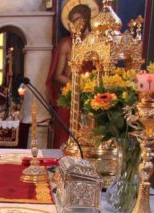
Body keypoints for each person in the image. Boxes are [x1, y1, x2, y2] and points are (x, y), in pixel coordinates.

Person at [46, 0, 97, 148]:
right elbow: (57, 76)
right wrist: (77, 86)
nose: (75, 24)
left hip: (93, 99)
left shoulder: (97, 43)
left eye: (78, 19)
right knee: (64, 136)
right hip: (71, 97)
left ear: (86, 19)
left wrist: (90, 88)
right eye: (72, 21)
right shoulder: (66, 44)